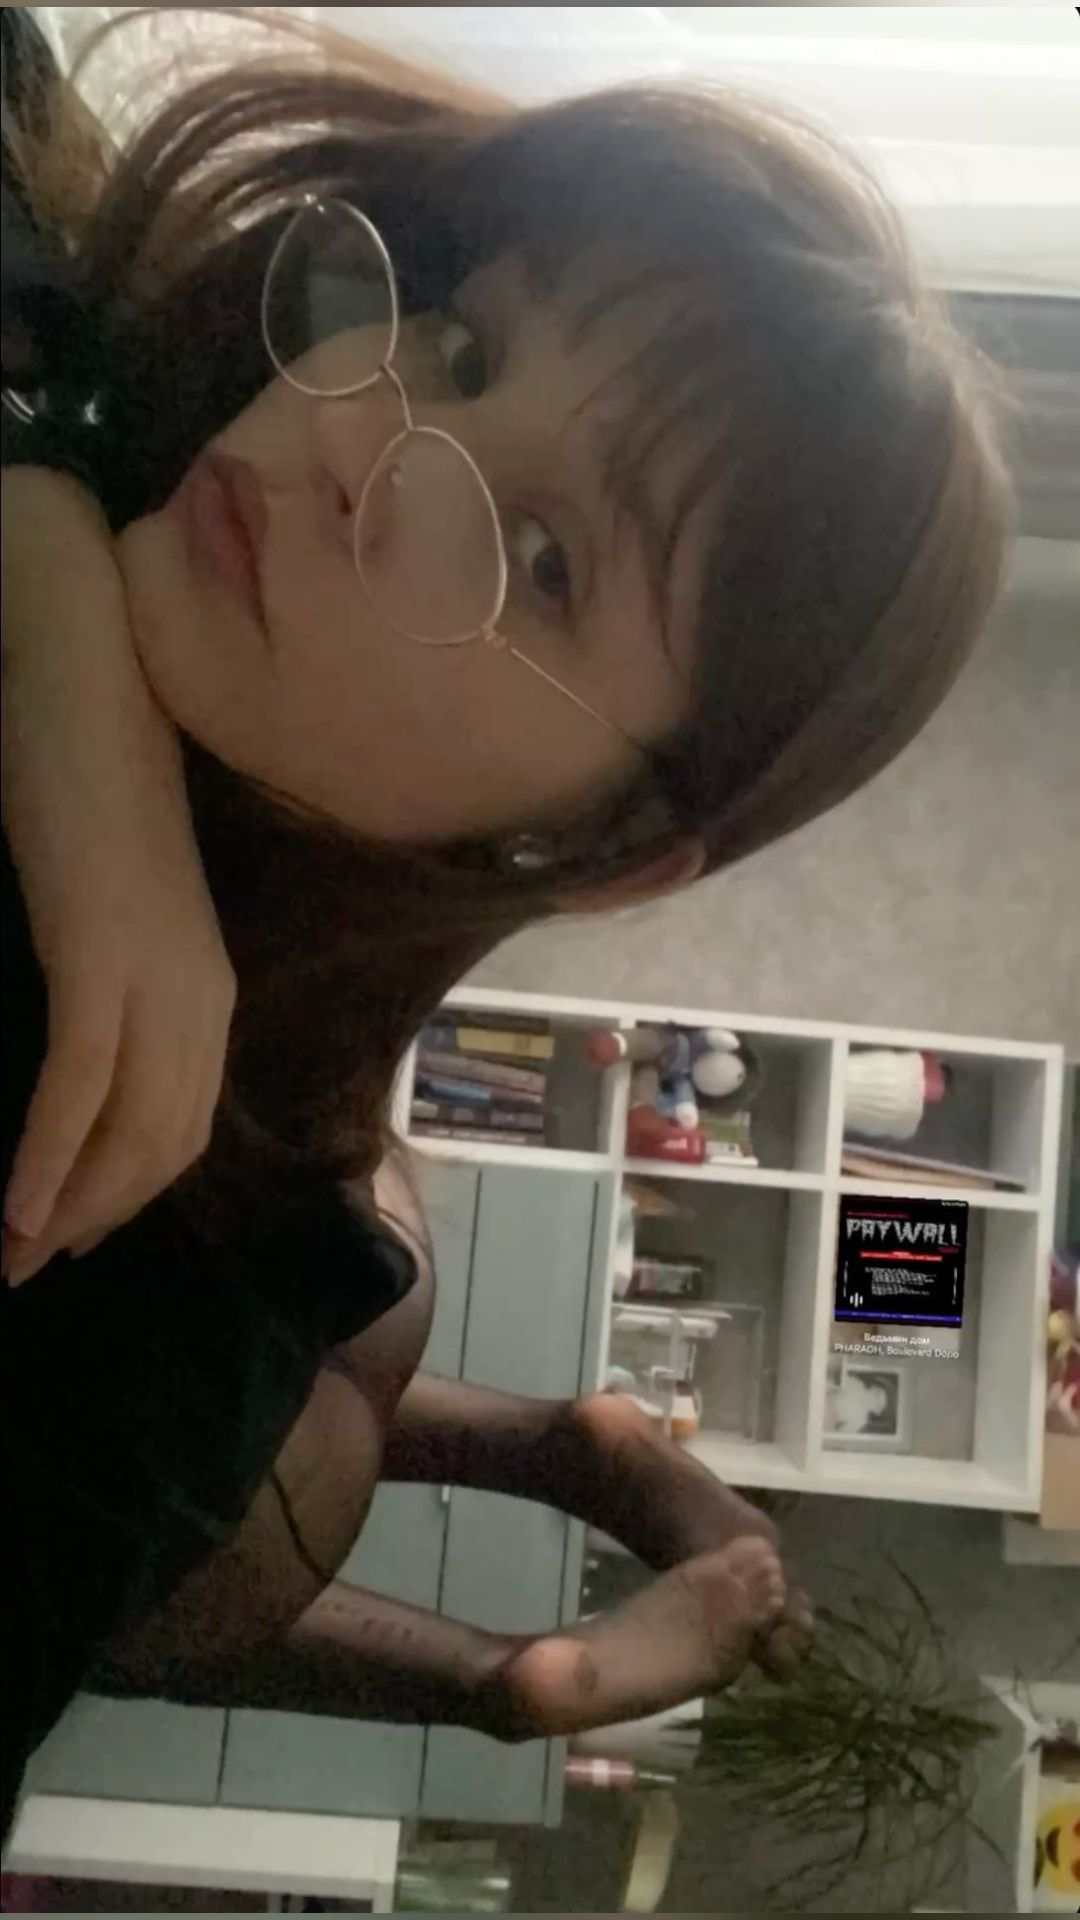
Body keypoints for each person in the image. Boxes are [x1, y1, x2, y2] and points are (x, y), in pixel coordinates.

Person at [1, 8, 1006, 1837]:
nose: (365, 435)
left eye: (547, 561)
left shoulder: (141, 1252)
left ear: (600, 843)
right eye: (460, 343)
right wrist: (44, 578)